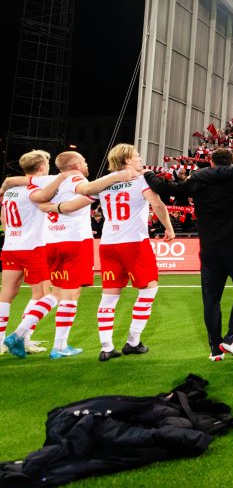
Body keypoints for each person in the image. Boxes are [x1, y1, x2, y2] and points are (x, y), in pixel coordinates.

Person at [144, 147, 233, 360]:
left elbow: (165, 188)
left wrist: (148, 174)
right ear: (232, 161)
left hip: (209, 248)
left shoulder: (196, 181)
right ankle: (231, 337)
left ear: (211, 161)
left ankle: (215, 350)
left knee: (211, 299)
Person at [4, 151, 137, 359]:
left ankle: (21, 333)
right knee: (71, 295)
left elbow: (14, 179)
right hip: (75, 242)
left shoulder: (48, 180)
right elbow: (85, 188)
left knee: (55, 294)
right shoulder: (76, 178)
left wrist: (5, 185)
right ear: (75, 166)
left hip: (51, 242)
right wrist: (116, 176)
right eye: (83, 161)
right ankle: (57, 346)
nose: (86, 164)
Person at [78, 144, 176, 360]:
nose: (140, 158)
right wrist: (169, 228)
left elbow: (81, 196)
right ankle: (133, 341)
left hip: (108, 244)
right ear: (127, 160)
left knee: (109, 297)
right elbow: (157, 205)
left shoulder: (105, 182)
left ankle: (106, 347)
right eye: (137, 156)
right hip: (134, 244)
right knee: (149, 290)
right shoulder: (140, 179)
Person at [2, 152, 62, 357]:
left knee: (7, 294)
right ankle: (23, 337)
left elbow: (4, 219)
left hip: (10, 245)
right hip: (33, 247)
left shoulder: (10, 191)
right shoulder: (34, 189)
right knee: (43, 295)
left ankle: (0, 342)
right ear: (42, 168)